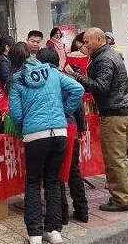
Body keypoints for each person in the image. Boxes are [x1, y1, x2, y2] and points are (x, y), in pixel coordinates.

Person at [9, 44, 83, 244]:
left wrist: (25, 125)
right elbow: (78, 89)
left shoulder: (17, 79)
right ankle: (54, 231)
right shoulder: (52, 72)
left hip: (34, 134)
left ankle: (34, 234)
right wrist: (64, 111)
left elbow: (15, 114)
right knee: (53, 181)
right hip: (59, 132)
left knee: (33, 182)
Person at [69, 28, 128, 212]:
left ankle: (121, 199)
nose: (85, 45)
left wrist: (77, 76)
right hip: (120, 111)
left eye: (87, 41)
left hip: (114, 114)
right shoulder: (107, 55)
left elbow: (101, 86)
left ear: (99, 39)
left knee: (114, 159)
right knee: (120, 157)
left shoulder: (105, 59)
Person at [37, 48, 88, 224]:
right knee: (73, 168)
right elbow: (79, 105)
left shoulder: (43, 81)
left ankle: (62, 213)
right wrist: (80, 126)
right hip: (71, 126)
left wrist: (64, 112)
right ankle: (82, 210)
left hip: (55, 127)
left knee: (55, 171)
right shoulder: (66, 77)